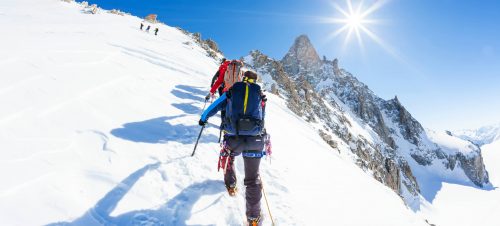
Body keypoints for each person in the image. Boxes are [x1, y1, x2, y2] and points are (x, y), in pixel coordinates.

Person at [199, 71, 267, 225]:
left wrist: (203, 119)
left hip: (233, 137)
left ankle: (231, 185)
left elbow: (214, 107)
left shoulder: (232, 90)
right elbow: (263, 118)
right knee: (253, 179)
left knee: (228, 156)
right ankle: (253, 218)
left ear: (243, 78)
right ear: (256, 81)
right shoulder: (260, 95)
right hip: (255, 140)